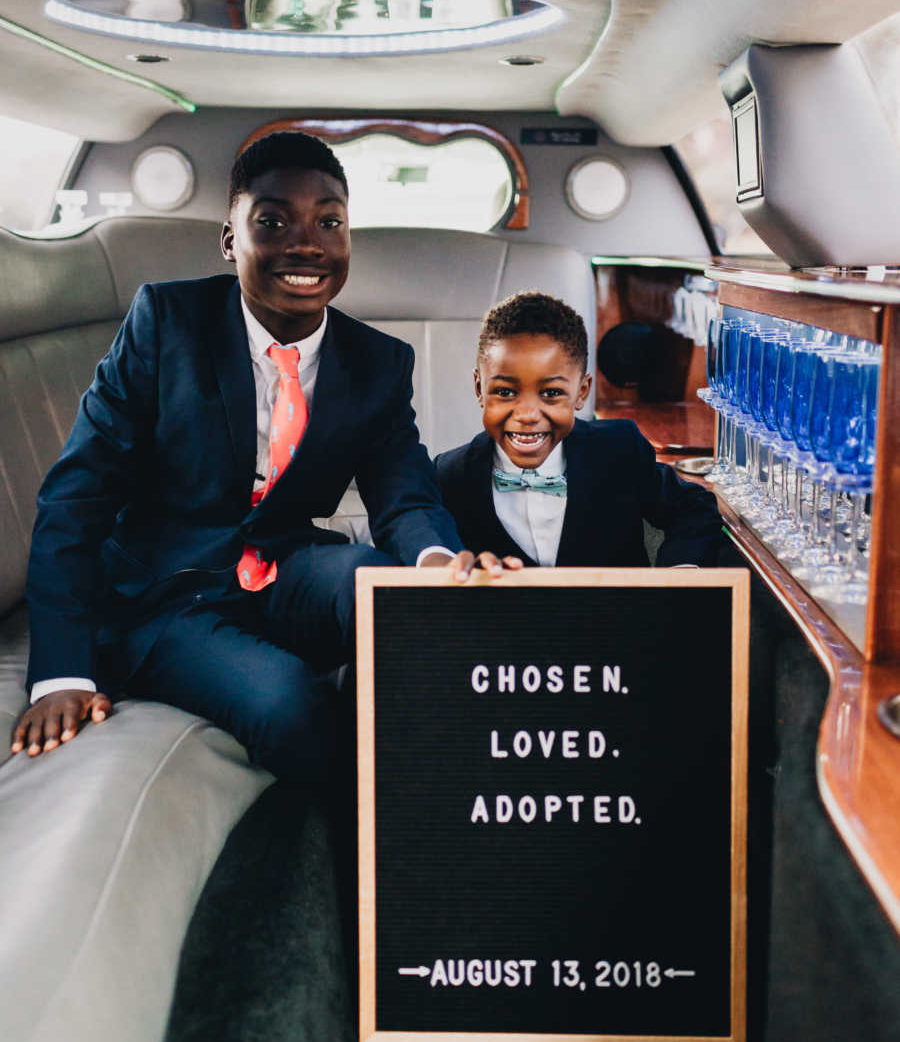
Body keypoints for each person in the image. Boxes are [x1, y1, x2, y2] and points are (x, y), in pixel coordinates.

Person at [12, 131, 515, 776]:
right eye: (272, 221)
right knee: (287, 702)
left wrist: (437, 564)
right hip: (166, 597)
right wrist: (60, 676)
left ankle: (455, 786)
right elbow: (75, 497)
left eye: (328, 221)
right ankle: (331, 843)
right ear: (231, 240)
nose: (305, 243)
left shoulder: (377, 362)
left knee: (385, 592)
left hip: (283, 568)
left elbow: (404, 495)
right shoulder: (166, 322)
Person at [435, 291, 723, 569]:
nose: (526, 415)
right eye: (505, 392)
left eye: (550, 393)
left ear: (581, 392)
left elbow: (694, 507)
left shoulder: (618, 450)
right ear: (479, 389)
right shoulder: (448, 475)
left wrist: (678, 574)